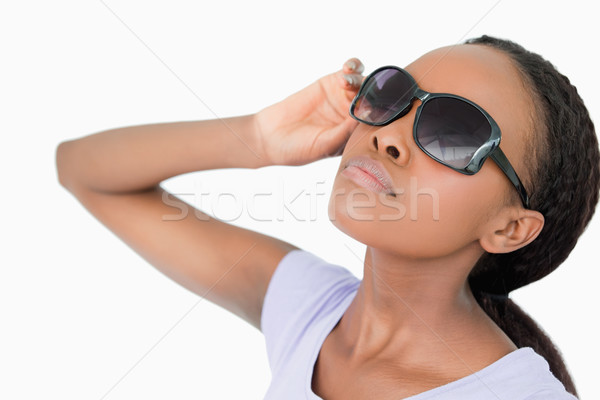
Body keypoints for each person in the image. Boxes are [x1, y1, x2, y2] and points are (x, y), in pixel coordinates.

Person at [55, 35, 599, 399]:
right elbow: (82, 170)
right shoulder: (312, 312)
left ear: (509, 229)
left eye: (452, 132)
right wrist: (257, 138)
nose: (388, 136)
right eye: (393, 98)